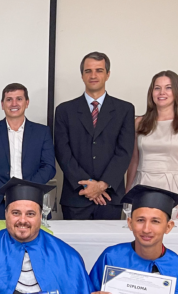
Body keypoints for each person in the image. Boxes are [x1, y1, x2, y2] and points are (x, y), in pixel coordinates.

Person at [54, 52, 135, 220]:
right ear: (82, 75)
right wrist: (88, 186)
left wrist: (102, 185)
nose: (93, 75)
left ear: (108, 74)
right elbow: (63, 152)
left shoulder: (125, 110)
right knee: (74, 247)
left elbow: (124, 152)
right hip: (76, 197)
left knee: (109, 246)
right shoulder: (64, 110)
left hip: (110, 197)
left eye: (99, 70)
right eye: (88, 71)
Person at [126, 71, 178, 221]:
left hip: (173, 187)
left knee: (171, 236)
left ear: (177, 91)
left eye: (168, 87)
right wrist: (127, 192)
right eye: (157, 88)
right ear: (151, 92)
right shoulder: (139, 123)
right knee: (141, 236)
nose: (162, 92)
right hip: (141, 185)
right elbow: (134, 161)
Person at [0, 83, 56, 220]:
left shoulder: (42, 132)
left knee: (36, 241)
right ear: (2, 104)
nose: (14, 103)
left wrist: (26, 191)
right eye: (9, 99)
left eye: (19, 99)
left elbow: (49, 167)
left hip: (33, 202)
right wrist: (5, 193)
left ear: (27, 102)